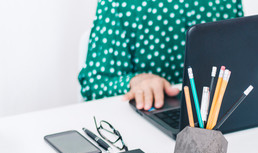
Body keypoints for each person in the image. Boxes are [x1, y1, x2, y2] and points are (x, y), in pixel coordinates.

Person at [78, 0, 243, 110]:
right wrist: (135, 82)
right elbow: (95, 85)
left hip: (218, 111)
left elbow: (241, 60)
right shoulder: (118, 4)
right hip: (146, 116)